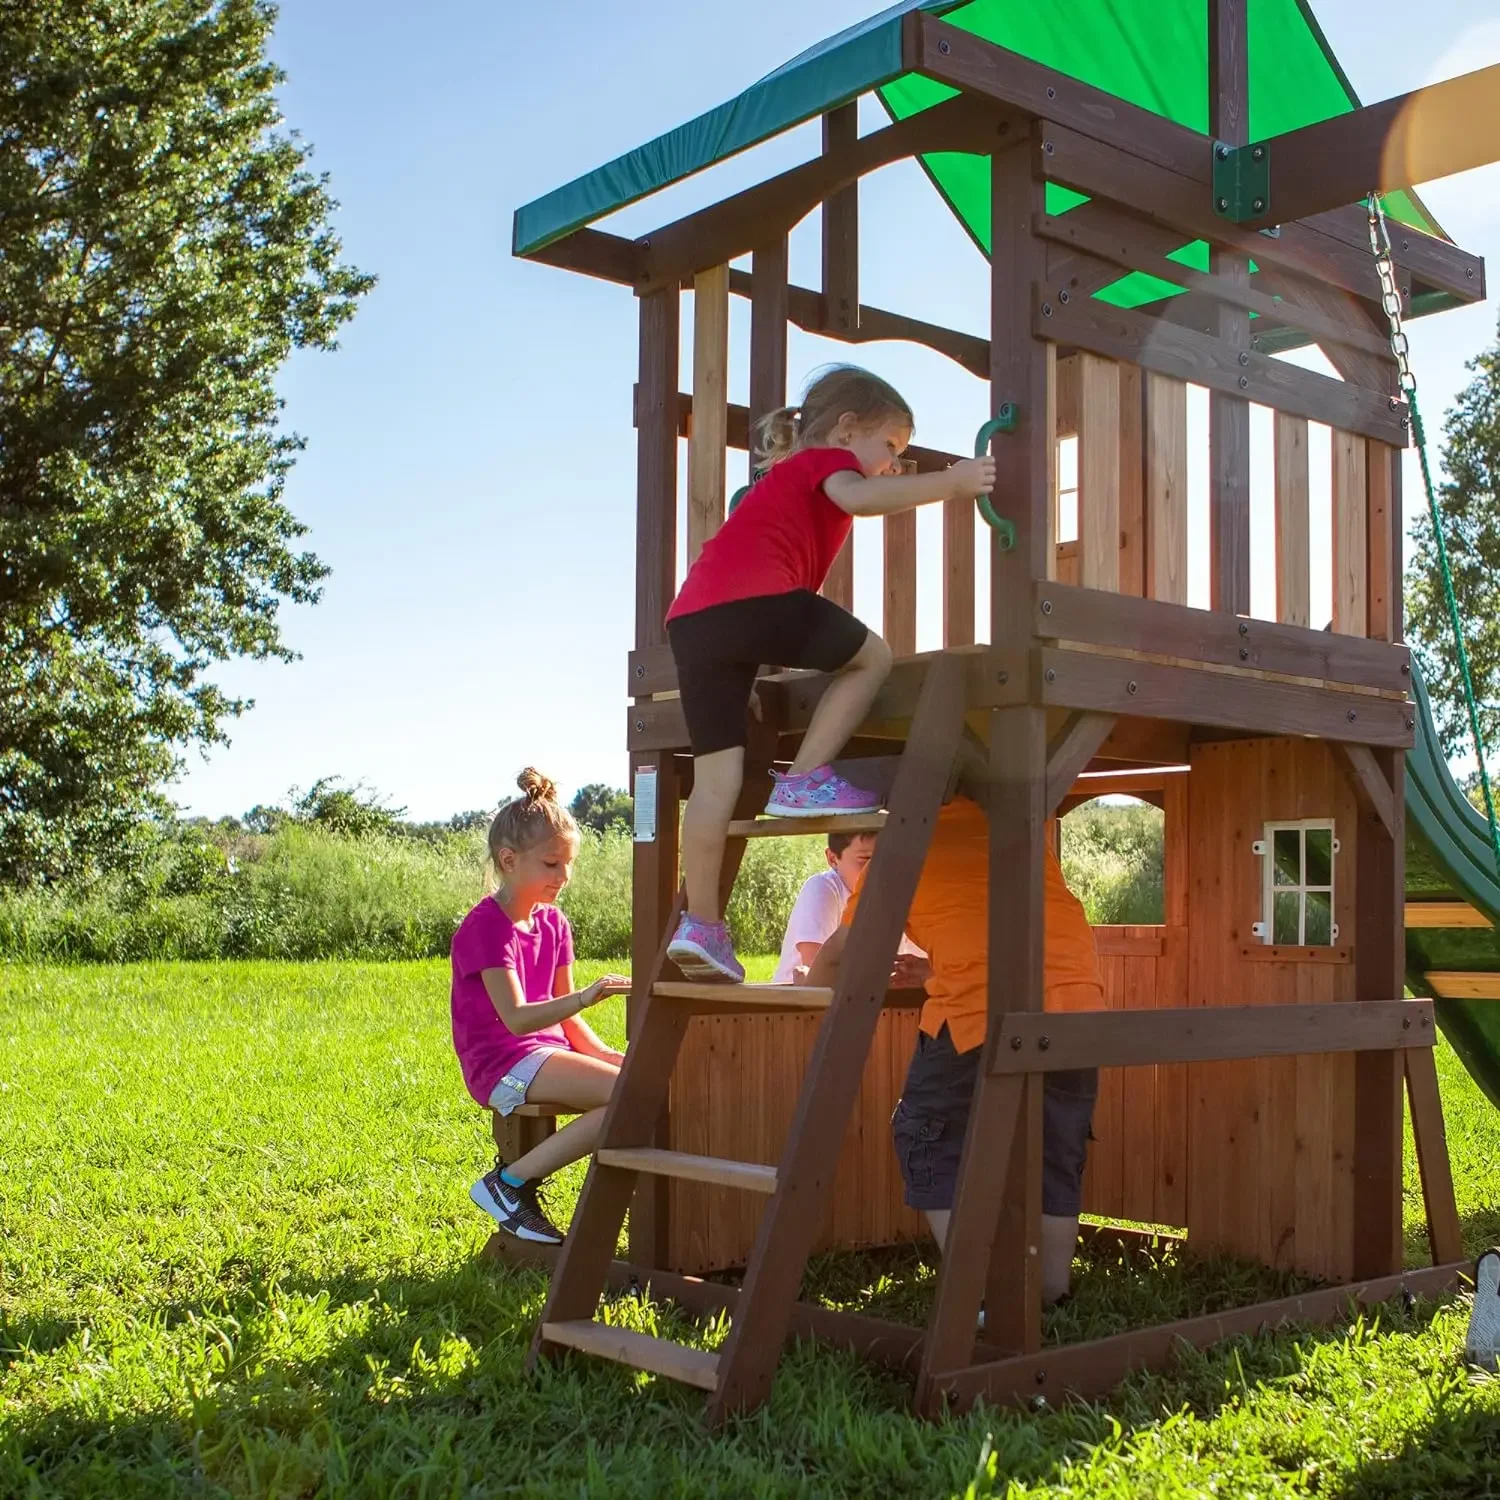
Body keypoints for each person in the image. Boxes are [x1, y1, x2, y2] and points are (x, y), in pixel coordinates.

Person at [663, 364, 996, 984]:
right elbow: (860, 500)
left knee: (717, 779)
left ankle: (701, 925)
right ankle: (805, 778)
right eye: (891, 447)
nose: (894, 463)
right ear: (846, 428)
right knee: (872, 657)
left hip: (694, 620)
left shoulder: (785, 477)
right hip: (755, 600)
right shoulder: (822, 464)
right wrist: (953, 483)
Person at [809, 795, 1101, 1306]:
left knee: (925, 1134)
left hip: (977, 1014)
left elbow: (841, 954)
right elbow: (993, 920)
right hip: (1078, 1007)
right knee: (1055, 1147)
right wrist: (940, 970)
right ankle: (1051, 1292)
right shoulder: (1013, 821)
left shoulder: (904, 842)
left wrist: (802, 1000)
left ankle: (983, 1294)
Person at [452, 769, 629, 1245]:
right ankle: (508, 1184)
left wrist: (607, 1054)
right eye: (551, 864)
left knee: (636, 1089)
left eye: (568, 864)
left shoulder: (554, 924)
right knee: (630, 1099)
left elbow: (567, 1020)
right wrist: (585, 995)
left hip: (544, 1056)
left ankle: (524, 1191)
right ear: (509, 860)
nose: (563, 876)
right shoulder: (486, 927)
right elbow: (517, 1018)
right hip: (502, 1063)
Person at [772, 829, 925, 985]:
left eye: (889, 860)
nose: (879, 870)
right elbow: (817, 974)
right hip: (800, 1003)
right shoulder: (824, 889)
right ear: (833, 859)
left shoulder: (904, 894)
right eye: (866, 859)